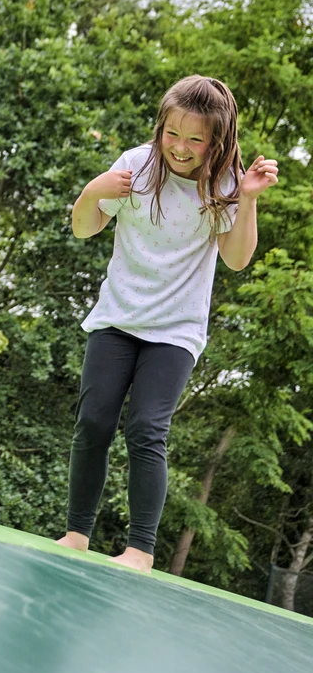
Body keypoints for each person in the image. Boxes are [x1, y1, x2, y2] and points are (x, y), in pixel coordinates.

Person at [56, 75, 279, 572]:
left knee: (147, 429)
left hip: (175, 332)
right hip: (117, 317)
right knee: (93, 422)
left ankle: (140, 548)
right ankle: (76, 533)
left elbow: (238, 259)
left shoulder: (224, 185)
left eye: (196, 139)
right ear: (160, 127)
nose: (181, 147)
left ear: (217, 141)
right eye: (172, 133)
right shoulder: (135, 165)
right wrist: (94, 191)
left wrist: (249, 199)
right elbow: (83, 227)